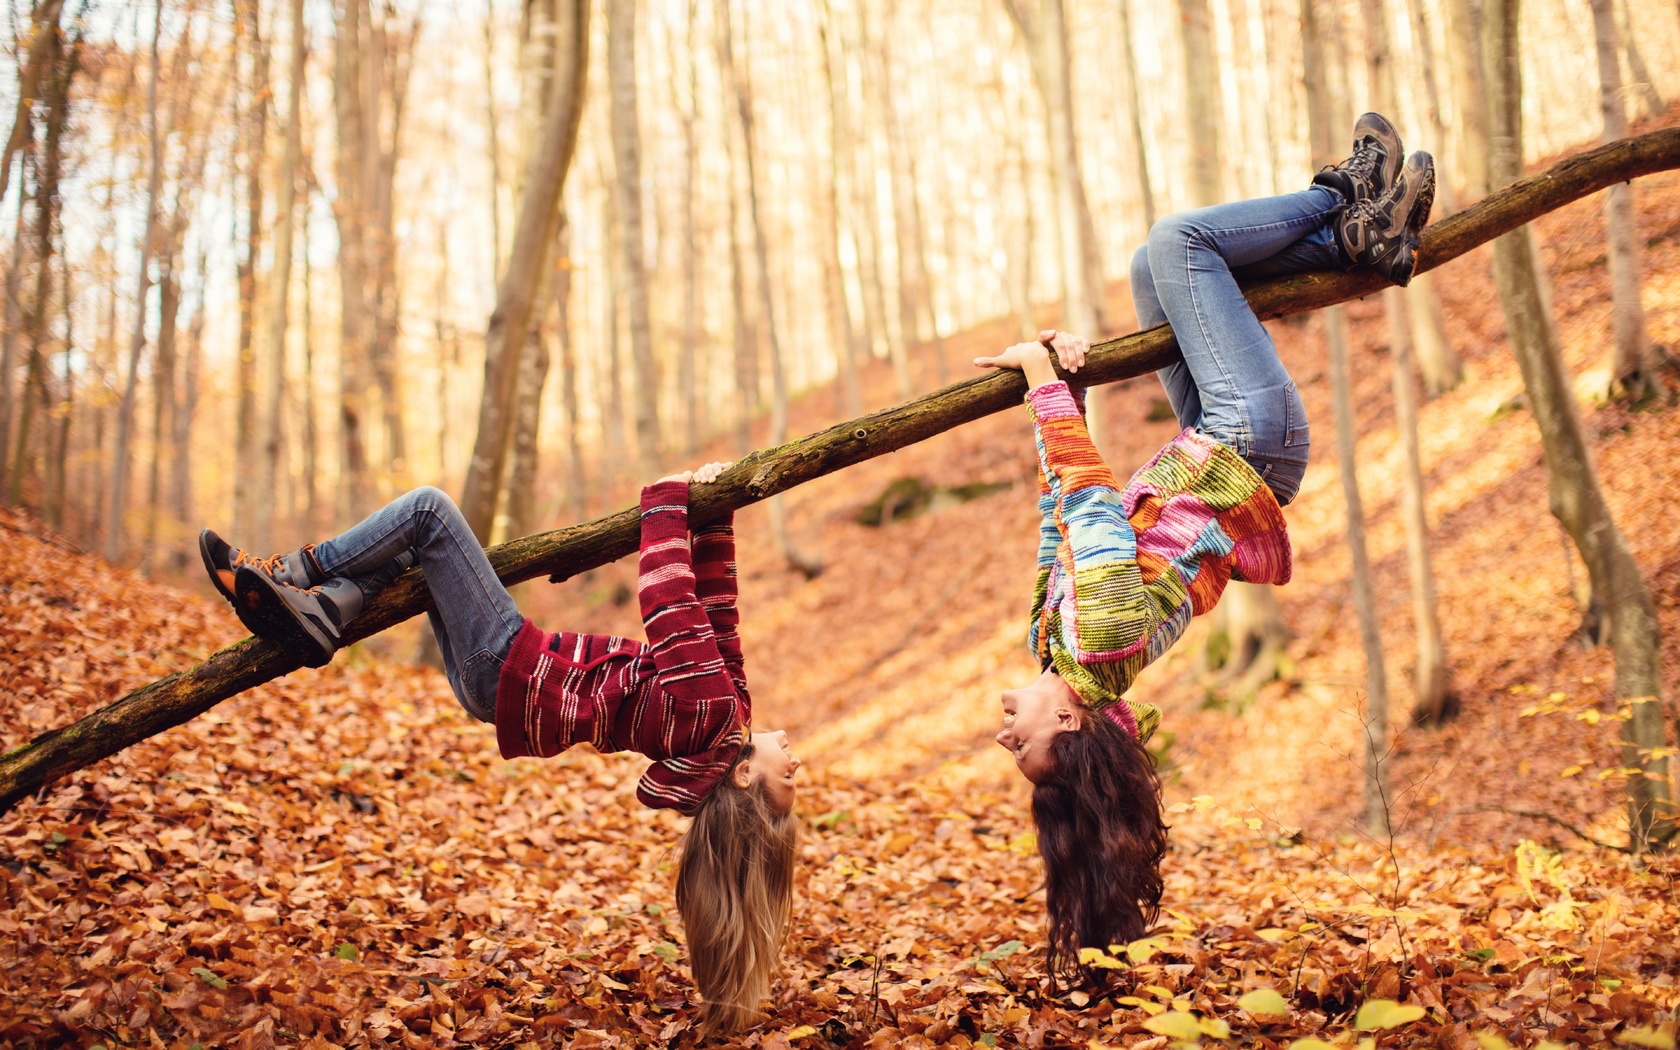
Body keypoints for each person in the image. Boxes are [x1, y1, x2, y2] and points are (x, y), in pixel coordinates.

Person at [973, 113, 1434, 982]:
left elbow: (1056, 515)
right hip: (1246, 442)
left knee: (1155, 271)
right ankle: (1342, 198)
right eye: (1029, 755)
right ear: (1068, 727)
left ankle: (1361, 240)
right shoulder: (1099, 647)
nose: (1009, 745)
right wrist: (1043, 389)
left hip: (1207, 445)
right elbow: (1091, 502)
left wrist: (1060, 382)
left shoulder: (1053, 647)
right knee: (1180, 241)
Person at [198, 463, 798, 1035]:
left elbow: (670, 603)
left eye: (788, 781)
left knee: (428, 513)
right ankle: (325, 610)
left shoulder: (709, 709)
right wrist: (718, 511)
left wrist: (667, 499)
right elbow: (719, 615)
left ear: (744, 777)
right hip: (495, 687)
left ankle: (294, 572)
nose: (797, 762)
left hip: (508, 663)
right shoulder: (725, 718)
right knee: (407, 552)